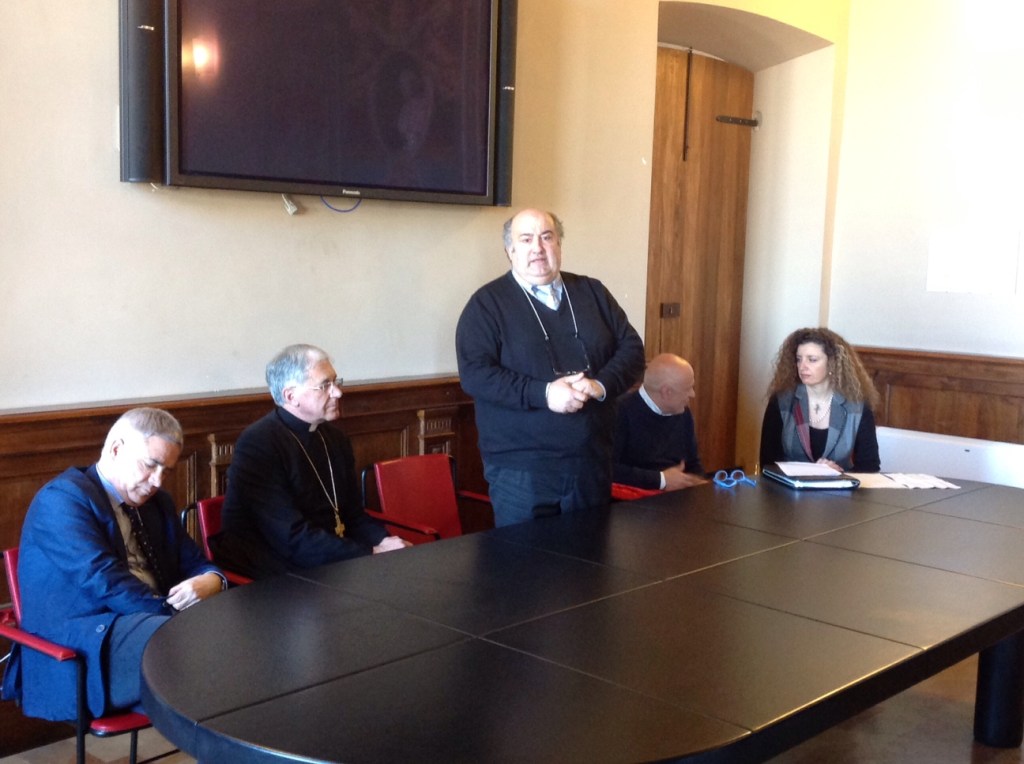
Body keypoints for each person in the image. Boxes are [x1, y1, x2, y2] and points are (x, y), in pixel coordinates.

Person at [0, 408, 225, 721]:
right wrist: (176, 617)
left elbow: (194, 561)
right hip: (84, 647)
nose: (157, 481)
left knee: (233, 638)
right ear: (116, 449)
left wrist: (213, 580)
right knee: (205, 650)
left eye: (166, 471)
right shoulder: (61, 500)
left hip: (147, 627)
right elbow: (106, 582)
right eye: (150, 465)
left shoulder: (156, 502)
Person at [455, 208, 645, 526]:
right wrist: (544, 394)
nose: (538, 248)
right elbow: (475, 375)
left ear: (559, 244)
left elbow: (633, 350)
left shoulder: (592, 292)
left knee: (590, 556)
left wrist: (600, 385)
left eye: (547, 237)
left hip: (591, 461)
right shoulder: (486, 305)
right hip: (522, 470)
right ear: (510, 251)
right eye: (526, 239)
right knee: (528, 558)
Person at [213, 344, 408, 579]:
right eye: (325, 385)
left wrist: (385, 541)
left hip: (326, 553)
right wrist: (371, 553)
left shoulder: (334, 438)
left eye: (336, 382)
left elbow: (353, 515)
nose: (338, 393)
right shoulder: (258, 443)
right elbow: (289, 536)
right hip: (273, 565)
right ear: (291, 396)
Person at [759, 327, 881, 472]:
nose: (802, 367)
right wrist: (812, 472)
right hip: (788, 485)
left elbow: (870, 466)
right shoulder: (782, 401)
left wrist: (838, 474)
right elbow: (767, 463)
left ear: (832, 363)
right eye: (799, 359)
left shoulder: (857, 406)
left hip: (839, 486)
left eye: (812, 360)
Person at [613, 353, 706, 491]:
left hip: (678, 494)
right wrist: (661, 480)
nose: (693, 394)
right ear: (666, 392)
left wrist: (698, 483)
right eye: (688, 388)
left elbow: (693, 463)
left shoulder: (683, 412)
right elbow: (608, 469)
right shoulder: (618, 412)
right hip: (634, 499)